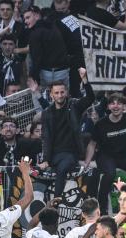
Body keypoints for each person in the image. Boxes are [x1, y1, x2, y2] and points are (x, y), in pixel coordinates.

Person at [38, 69, 94, 198]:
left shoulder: (74, 105)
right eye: (56, 93)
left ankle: (55, 201)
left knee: (62, 169)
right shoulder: (47, 113)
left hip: (71, 153)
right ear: (51, 95)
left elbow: (90, 98)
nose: (60, 95)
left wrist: (84, 79)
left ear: (66, 92)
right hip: (55, 154)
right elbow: (46, 137)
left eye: (62, 92)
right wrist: (46, 160)